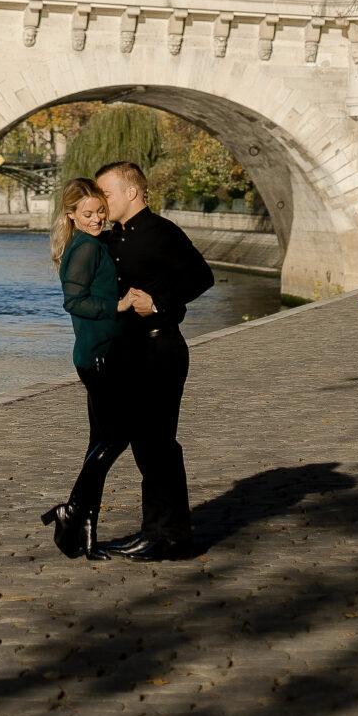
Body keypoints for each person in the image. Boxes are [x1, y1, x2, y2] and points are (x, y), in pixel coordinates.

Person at [94, 159, 216, 558]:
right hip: (128, 352)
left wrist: (160, 302)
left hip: (160, 347)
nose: (101, 200)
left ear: (131, 192)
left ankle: (173, 536)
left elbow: (202, 276)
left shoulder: (161, 232)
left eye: (106, 193)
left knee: (158, 442)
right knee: (144, 445)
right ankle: (154, 530)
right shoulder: (114, 237)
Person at [39, 177, 137, 560]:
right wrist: (117, 307)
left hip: (100, 353)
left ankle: (84, 536)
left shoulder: (95, 242)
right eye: (88, 214)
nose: (97, 219)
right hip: (99, 356)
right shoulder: (83, 249)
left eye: (100, 211)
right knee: (116, 438)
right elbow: (74, 301)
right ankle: (73, 510)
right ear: (71, 215)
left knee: (100, 442)